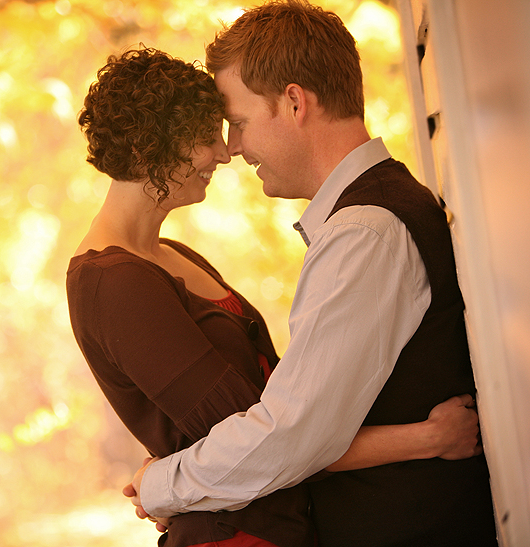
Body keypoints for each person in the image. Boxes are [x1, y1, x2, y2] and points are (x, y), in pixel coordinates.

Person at [67, 46, 485, 547]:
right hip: (235, 534)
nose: (225, 152)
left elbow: (284, 420)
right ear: (150, 146)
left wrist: (167, 481)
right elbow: (269, 442)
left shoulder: (175, 255)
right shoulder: (114, 283)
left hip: (281, 521)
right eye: (206, 136)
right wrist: (422, 438)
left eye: (230, 126)